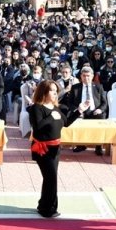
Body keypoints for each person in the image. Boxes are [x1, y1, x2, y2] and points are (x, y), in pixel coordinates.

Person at [26, 80, 81, 218]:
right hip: (43, 149)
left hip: (56, 149)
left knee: (50, 178)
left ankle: (45, 205)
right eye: (52, 90)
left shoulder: (56, 108)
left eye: (56, 91)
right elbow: (38, 128)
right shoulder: (36, 108)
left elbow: (66, 122)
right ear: (44, 92)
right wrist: (51, 117)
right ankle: (47, 209)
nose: (55, 93)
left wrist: (79, 111)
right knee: (51, 178)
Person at [63, 66, 108, 155]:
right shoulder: (75, 87)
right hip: (80, 111)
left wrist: (99, 110)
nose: (86, 78)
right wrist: (77, 111)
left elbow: (104, 103)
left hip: (95, 112)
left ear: (92, 76)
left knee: (101, 117)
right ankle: (81, 145)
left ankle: (98, 146)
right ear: (81, 76)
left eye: (88, 76)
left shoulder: (98, 86)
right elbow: (70, 102)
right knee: (75, 118)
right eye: (84, 76)